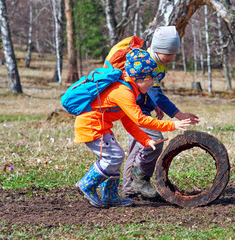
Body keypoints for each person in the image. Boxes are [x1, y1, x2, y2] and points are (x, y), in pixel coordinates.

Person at [75, 48, 196, 208]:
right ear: (140, 78)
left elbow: (129, 122)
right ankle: (86, 184)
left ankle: (110, 196)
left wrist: (145, 140)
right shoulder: (123, 92)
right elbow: (140, 119)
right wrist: (172, 125)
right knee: (114, 156)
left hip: (100, 127)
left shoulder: (129, 89)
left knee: (116, 157)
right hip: (91, 127)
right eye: (150, 79)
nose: (152, 83)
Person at [121, 26, 200, 199]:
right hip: (134, 111)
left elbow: (151, 91)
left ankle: (129, 189)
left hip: (139, 108)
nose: (172, 58)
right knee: (154, 140)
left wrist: (152, 104)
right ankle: (140, 181)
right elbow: (156, 93)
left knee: (137, 148)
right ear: (157, 49)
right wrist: (178, 115)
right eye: (169, 54)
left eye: (174, 54)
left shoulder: (157, 61)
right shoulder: (149, 62)